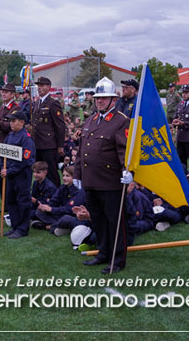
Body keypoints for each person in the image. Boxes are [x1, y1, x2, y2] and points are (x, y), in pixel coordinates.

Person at [73, 77, 130, 274]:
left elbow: (125, 151)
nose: (99, 101)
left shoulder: (121, 120)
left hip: (110, 181)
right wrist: (77, 173)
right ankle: (103, 253)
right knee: (98, 220)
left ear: (114, 100)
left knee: (115, 223)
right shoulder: (90, 120)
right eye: (98, 98)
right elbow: (82, 150)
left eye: (104, 98)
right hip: (91, 180)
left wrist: (128, 171)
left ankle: (118, 259)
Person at [0, 111, 36, 239]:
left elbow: (25, 159)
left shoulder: (25, 138)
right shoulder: (10, 135)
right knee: (11, 200)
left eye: (13, 121)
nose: (11, 123)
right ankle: (15, 226)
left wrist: (10, 170)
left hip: (21, 174)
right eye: (10, 121)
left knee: (23, 201)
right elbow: (3, 151)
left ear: (22, 122)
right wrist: (3, 167)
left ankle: (22, 228)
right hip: (10, 173)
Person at [31, 77, 66, 187]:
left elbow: (60, 126)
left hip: (48, 144)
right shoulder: (37, 103)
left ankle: (55, 194)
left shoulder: (53, 103)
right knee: (38, 171)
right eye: (38, 86)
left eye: (42, 85)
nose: (39, 88)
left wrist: (60, 145)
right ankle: (42, 193)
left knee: (51, 172)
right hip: (37, 143)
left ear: (49, 87)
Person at [35, 166, 85, 234]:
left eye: (67, 176)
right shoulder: (63, 187)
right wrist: (44, 207)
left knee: (66, 218)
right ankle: (60, 226)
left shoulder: (79, 191)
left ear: (74, 177)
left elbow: (69, 209)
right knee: (39, 212)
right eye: (63, 175)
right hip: (60, 213)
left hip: (72, 216)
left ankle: (48, 227)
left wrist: (51, 209)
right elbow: (54, 201)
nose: (64, 178)